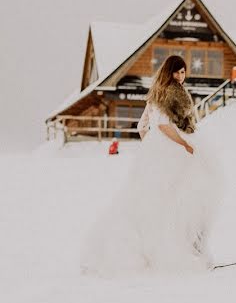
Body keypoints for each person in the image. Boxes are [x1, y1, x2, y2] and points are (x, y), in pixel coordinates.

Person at [81, 55, 224, 276]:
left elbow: (141, 127)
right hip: (170, 152)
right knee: (175, 201)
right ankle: (183, 250)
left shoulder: (154, 94)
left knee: (146, 201)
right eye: (177, 72)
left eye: (184, 72)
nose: (181, 76)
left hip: (155, 152)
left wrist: (151, 145)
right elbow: (164, 125)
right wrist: (184, 144)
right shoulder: (171, 94)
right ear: (169, 72)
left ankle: (179, 248)